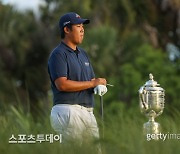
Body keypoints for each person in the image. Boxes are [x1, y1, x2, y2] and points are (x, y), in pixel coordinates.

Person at [48, 12, 108, 143]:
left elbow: (89, 82)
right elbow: (62, 84)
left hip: (87, 113)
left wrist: (99, 84)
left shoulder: (83, 54)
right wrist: (92, 84)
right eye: (78, 26)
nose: (82, 29)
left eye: (83, 26)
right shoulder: (58, 54)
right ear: (67, 29)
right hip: (68, 111)